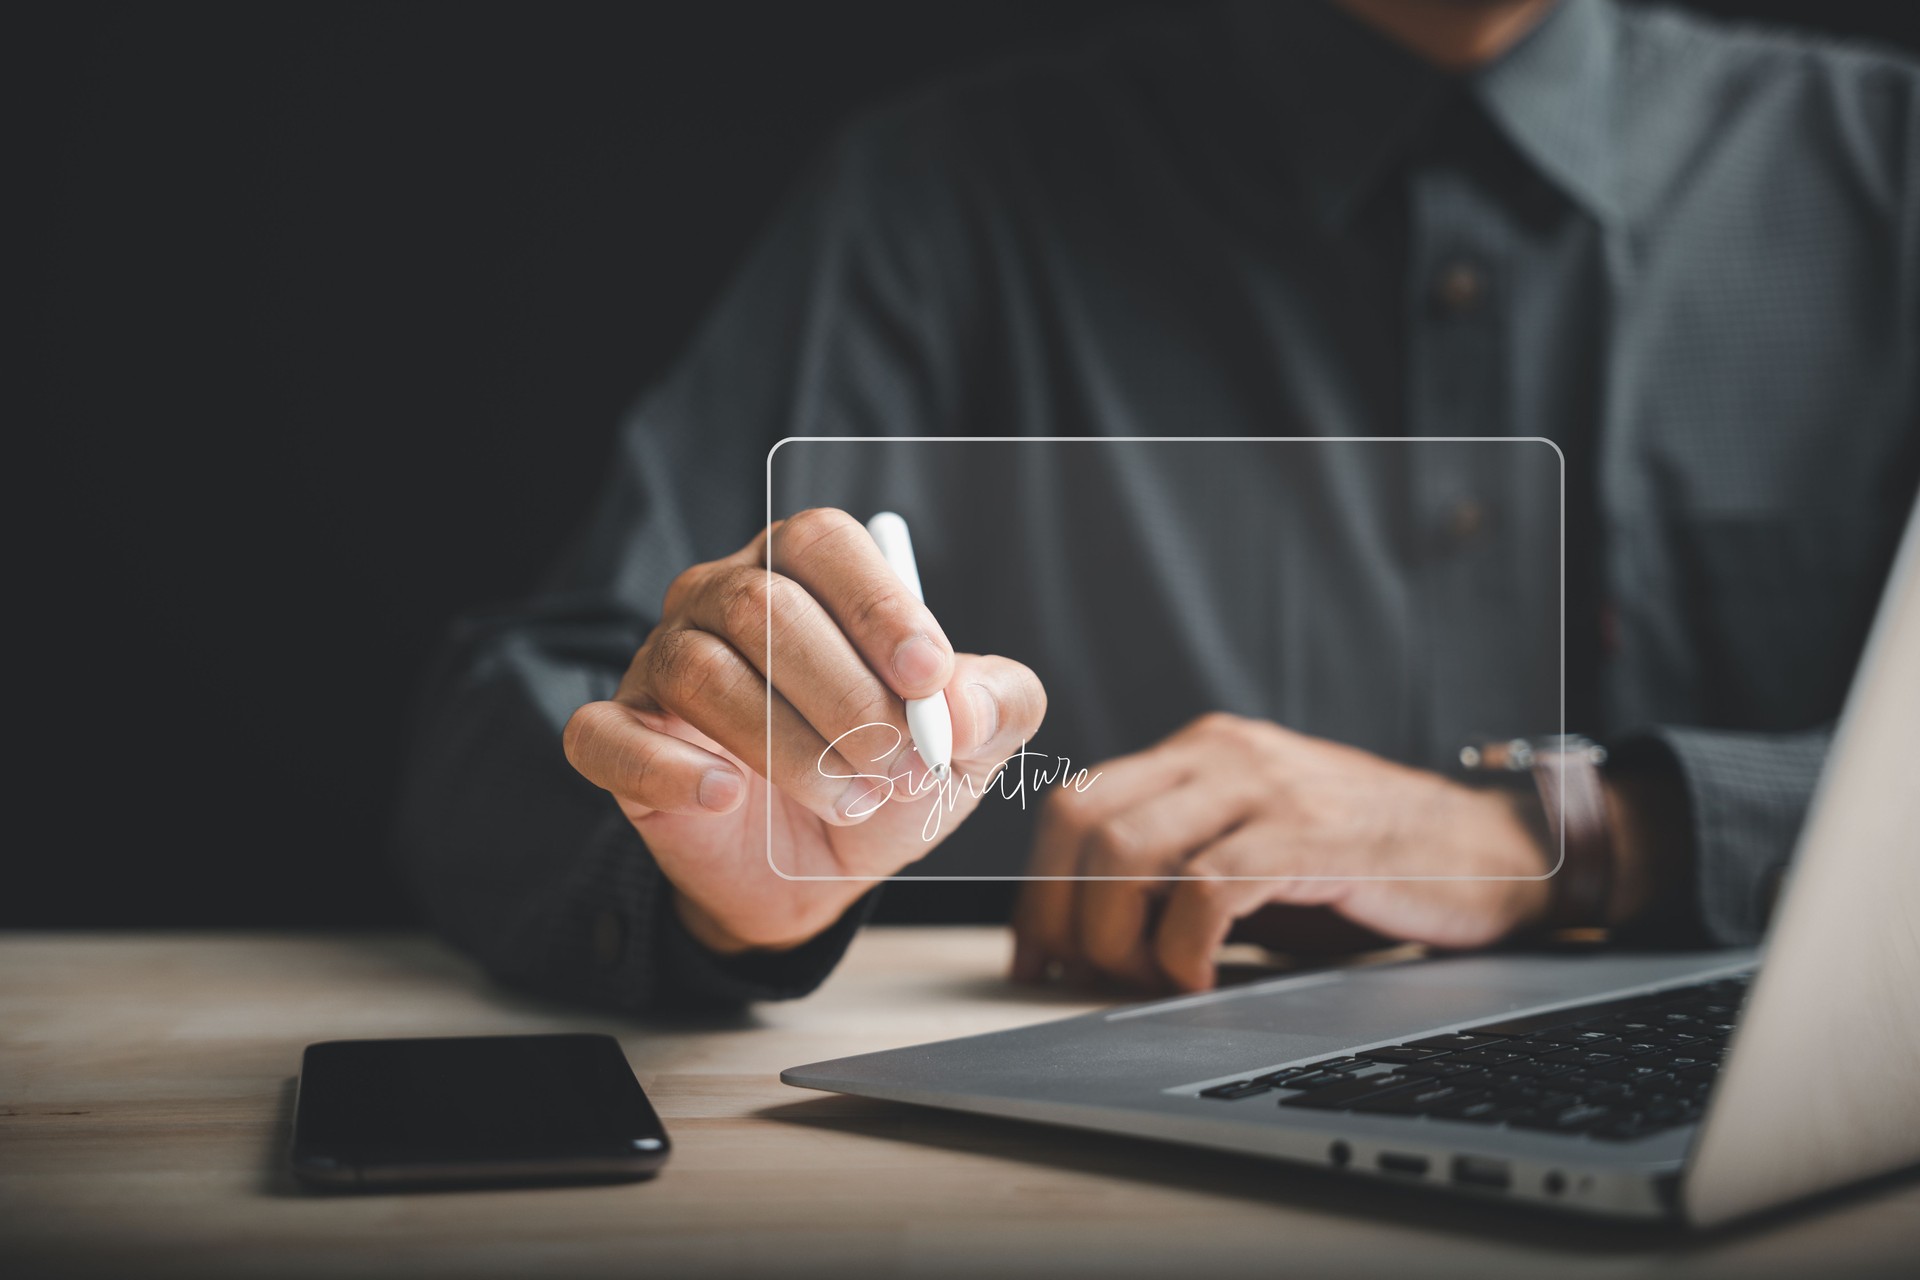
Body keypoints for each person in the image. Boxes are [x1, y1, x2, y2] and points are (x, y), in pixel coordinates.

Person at [395, 0, 1920, 1011]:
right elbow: (516, 722)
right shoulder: (948, 197)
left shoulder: (1888, 176)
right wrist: (726, 865)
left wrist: (1576, 831)